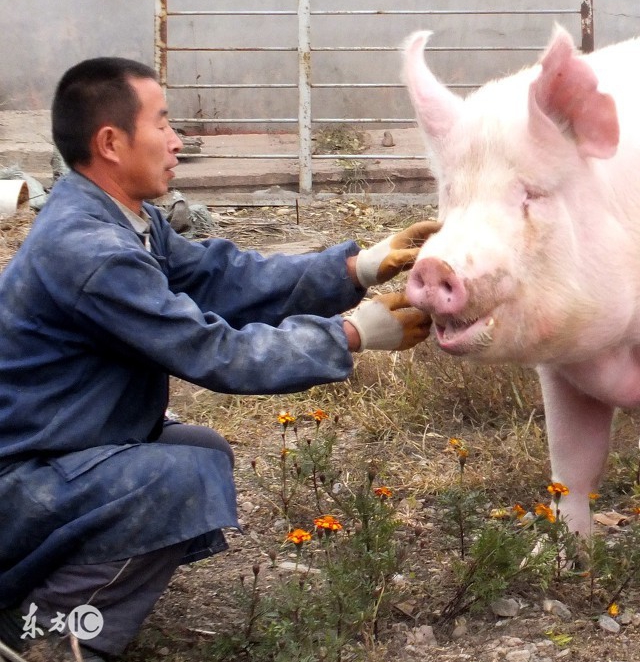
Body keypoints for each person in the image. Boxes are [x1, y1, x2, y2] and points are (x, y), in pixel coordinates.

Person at [0, 57, 438, 661]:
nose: (178, 141)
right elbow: (218, 354)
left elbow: (220, 276)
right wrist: (351, 333)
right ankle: (46, 636)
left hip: (57, 450)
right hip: (20, 483)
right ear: (110, 142)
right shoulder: (93, 252)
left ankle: (64, 591)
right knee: (177, 481)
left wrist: (352, 267)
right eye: (163, 123)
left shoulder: (120, 220)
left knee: (201, 451)